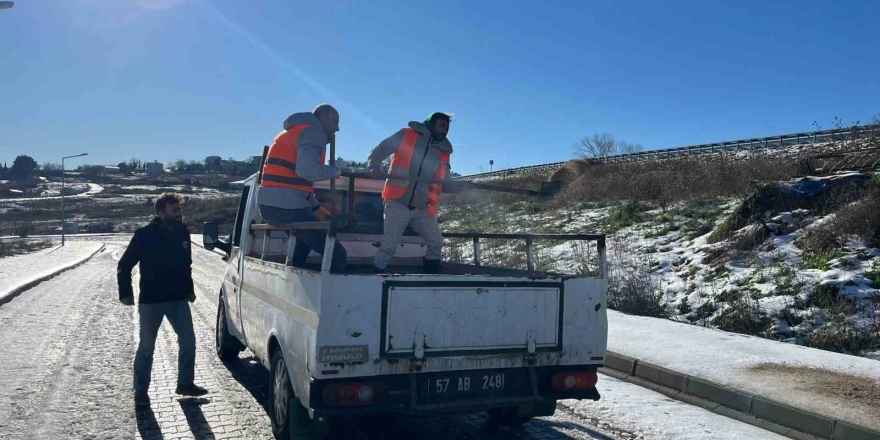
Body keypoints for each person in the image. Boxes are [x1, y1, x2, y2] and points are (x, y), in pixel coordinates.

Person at [117, 192, 208, 406]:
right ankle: (141, 392)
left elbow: (186, 265)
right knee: (146, 347)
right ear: (161, 213)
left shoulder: (182, 232)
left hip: (178, 299)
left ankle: (185, 383)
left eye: (180, 209)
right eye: (174, 210)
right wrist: (125, 293)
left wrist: (189, 289)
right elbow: (125, 264)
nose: (179, 213)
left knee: (188, 342)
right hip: (151, 300)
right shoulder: (144, 235)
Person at [257, 104, 348, 272]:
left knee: (302, 244)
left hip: (272, 206)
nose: (337, 128)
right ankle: (334, 288)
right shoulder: (314, 133)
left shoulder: (294, 131)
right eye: (335, 121)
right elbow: (307, 171)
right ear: (323, 118)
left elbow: (298, 186)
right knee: (337, 254)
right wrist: (335, 171)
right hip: (286, 207)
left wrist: (324, 213)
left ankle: (293, 279)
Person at [367, 112, 462, 273]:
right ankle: (375, 275)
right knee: (389, 246)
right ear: (431, 124)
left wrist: (461, 187)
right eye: (442, 125)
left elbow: (445, 183)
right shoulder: (407, 134)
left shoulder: (444, 151)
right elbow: (380, 150)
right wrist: (374, 166)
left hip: (422, 206)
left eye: (447, 127)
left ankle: (431, 274)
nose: (445, 130)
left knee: (436, 242)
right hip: (398, 201)